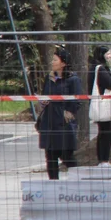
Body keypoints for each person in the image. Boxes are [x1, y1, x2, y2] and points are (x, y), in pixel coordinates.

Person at [36, 47, 81, 179]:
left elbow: (77, 100)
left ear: (63, 63)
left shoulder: (73, 79)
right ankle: (53, 184)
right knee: (50, 156)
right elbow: (45, 95)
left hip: (63, 124)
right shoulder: (49, 78)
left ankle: (79, 180)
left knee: (66, 156)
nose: (52, 62)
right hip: (48, 121)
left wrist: (68, 114)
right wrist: (43, 102)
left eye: (55, 60)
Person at [85, 46, 111, 167]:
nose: (110, 56)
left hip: (101, 103)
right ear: (102, 55)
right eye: (108, 54)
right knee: (107, 132)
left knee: (103, 132)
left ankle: (102, 160)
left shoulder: (96, 68)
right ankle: (104, 160)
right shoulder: (99, 69)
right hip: (103, 105)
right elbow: (110, 83)